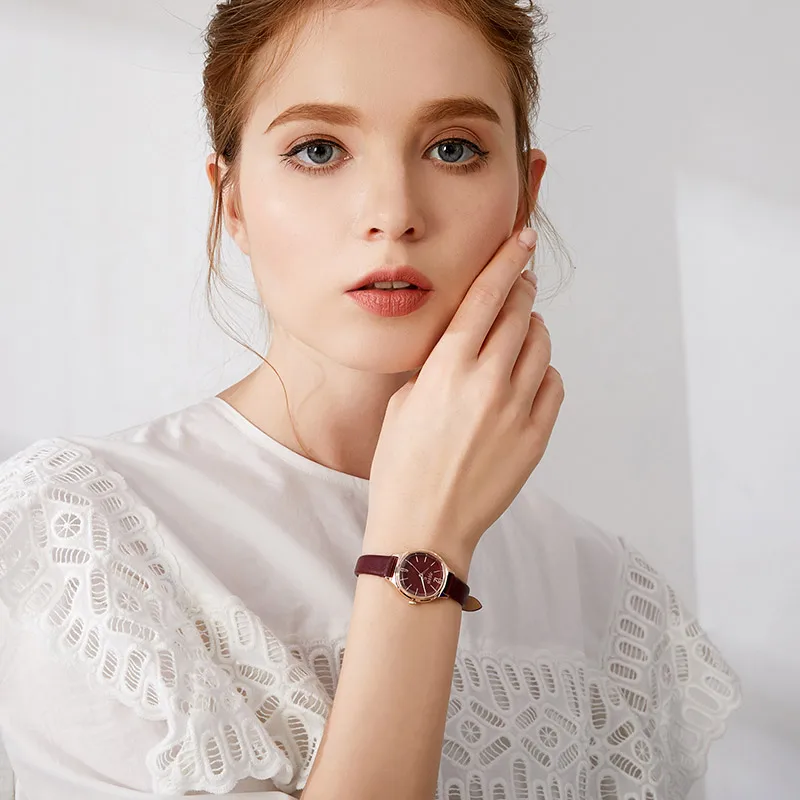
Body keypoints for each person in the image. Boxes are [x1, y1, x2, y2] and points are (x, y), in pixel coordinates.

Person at [0, 1, 742, 798]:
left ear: (524, 196)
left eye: (453, 148)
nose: (394, 214)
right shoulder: (82, 544)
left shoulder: (612, 603)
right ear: (232, 202)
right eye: (318, 150)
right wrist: (424, 545)